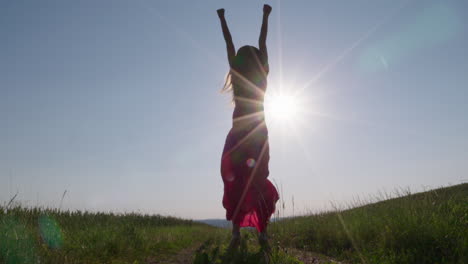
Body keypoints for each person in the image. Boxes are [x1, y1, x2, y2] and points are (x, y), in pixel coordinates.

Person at [217, 4, 279, 251]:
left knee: (236, 180)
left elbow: (228, 43)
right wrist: (265, 16)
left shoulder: (238, 74)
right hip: (258, 134)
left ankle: (235, 233)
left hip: (240, 135)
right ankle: (262, 234)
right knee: (257, 178)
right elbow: (262, 41)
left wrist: (222, 19)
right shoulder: (262, 75)